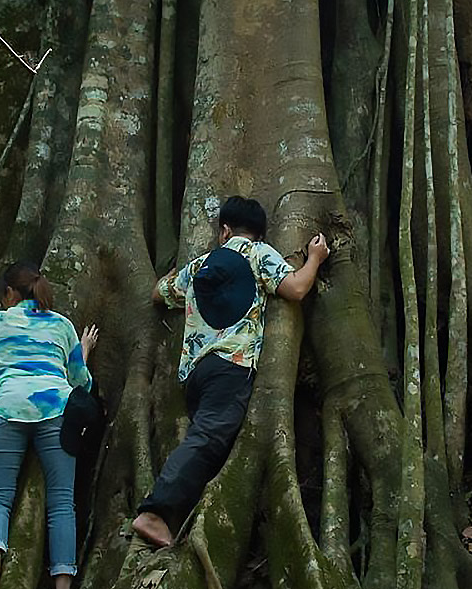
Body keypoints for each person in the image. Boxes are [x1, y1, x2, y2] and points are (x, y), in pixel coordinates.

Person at [131, 196, 329, 548]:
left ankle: (176, 514)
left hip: (195, 374)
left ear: (224, 230)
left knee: (207, 437)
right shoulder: (258, 254)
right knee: (208, 437)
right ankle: (155, 512)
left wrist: (178, 274)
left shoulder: (199, 266)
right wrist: (314, 259)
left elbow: (157, 294)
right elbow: (296, 288)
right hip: (230, 367)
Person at [0, 262, 97, 589]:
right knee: (61, 503)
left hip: (8, 407)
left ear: (10, 294)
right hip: (55, 410)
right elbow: (80, 380)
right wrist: (83, 350)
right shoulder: (61, 325)